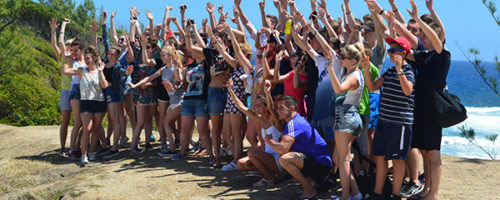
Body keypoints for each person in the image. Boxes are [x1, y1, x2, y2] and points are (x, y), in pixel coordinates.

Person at [405, 1, 451, 199]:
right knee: (424, 152)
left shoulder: (442, 54)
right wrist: (385, 17)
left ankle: (434, 194)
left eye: (424, 35)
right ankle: (426, 189)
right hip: (420, 108)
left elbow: (437, 34)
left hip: (433, 109)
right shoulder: (424, 56)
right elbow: (403, 47)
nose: (421, 38)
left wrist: (423, 15)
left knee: (433, 153)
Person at [363, 37, 415, 200]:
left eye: (393, 50)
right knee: (380, 156)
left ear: (403, 53)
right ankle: (378, 193)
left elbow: (408, 90)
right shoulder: (390, 71)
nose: (390, 53)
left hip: (400, 123)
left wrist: (400, 70)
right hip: (384, 121)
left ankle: (396, 194)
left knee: (398, 159)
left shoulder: (408, 71)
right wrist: (365, 68)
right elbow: (372, 86)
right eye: (390, 50)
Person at [266, 95, 332, 199]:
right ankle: (317, 183)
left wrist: (269, 141)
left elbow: (283, 149)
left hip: (320, 164)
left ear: (292, 108)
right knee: (283, 150)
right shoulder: (295, 120)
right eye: (277, 108)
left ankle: (309, 190)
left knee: (284, 159)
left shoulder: (294, 123)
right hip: (320, 164)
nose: (278, 111)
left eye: (281, 108)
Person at [61, 46, 109, 166]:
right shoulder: (81, 70)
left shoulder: (99, 71)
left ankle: (92, 152)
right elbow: (64, 71)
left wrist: (101, 71)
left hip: (99, 102)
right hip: (86, 102)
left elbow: (105, 85)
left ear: (93, 59)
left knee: (96, 129)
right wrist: (66, 59)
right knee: (87, 129)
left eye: (88, 58)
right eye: (85, 58)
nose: (87, 60)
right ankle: (84, 154)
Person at [231, 80, 284, 187]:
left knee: (251, 152)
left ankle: (269, 179)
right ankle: (272, 174)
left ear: (266, 107)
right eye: (255, 105)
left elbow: (271, 107)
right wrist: (230, 89)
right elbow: (241, 107)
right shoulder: (261, 120)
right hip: (268, 158)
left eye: (259, 105)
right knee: (241, 163)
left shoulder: (275, 120)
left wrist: (268, 93)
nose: (256, 107)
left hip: (278, 160)